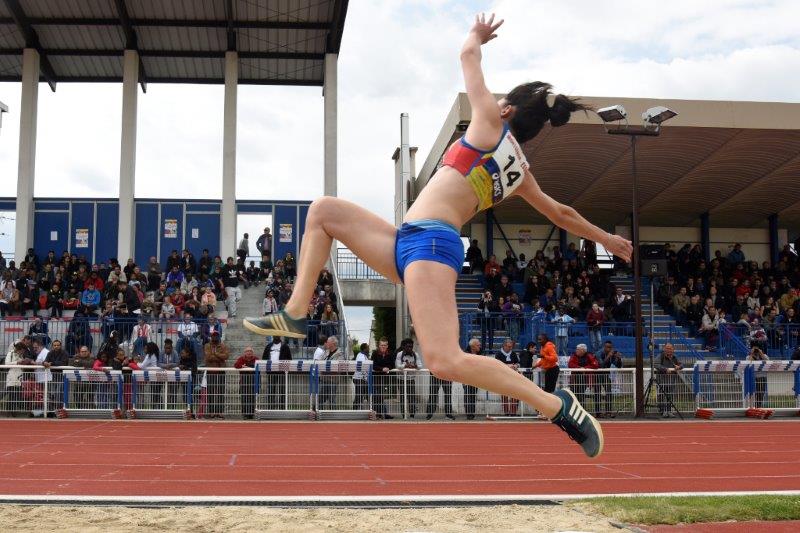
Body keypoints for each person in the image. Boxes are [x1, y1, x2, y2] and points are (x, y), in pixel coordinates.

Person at [243, 13, 633, 458]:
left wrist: (477, 35)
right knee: (324, 211)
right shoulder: (519, 170)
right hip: (409, 241)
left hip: (430, 244)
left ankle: (557, 407)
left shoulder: (489, 122)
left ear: (507, 109)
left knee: (445, 360)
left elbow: (468, 55)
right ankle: (295, 311)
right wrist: (608, 238)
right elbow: (560, 213)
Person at [567, 344, 600, 415]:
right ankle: (573, 411)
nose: (576, 351)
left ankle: (581, 411)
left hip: (584, 378)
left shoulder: (589, 355)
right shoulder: (574, 355)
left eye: (578, 349)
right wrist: (579, 368)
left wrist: (585, 368)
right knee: (573, 395)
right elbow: (570, 364)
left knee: (581, 394)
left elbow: (595, 365)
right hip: (575, 378)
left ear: (583, 350)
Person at [395, 338, 421, 419]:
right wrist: (405, 366)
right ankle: (404, 415)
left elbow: (420, 365)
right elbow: (397, 365)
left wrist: (415, 366)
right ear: (404, 347)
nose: (410, 348)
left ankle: (412, 414)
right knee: (402, 397)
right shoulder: (399, 354)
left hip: (411, 379)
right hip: (401, 379)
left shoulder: (415, 355)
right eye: (408, 346)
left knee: (411, 397)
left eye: (411, 346)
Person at [370, 337, 394, 419]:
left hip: (385, 377)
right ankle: (378, 413)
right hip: (376, 377)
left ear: (387, 346)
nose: (383, 347)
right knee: (377, 395)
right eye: (381, 345)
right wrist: (382, 369)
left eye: (384, 345)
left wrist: (388, 368)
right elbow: (373, 365)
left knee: (381, 395)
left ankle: (381, 413)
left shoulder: (390, 353)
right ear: (379, 346)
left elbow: (392, 364)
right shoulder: (375, 353)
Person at [494, 338, 520, 416]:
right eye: (509, 346)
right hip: (503, 377)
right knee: (504, 394)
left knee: (514, 394)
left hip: (513, 376)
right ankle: (506, 412)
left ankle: (513, 412)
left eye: (511, 346)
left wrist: (516, 365)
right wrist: (507, 366)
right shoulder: (498, 354)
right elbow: (497, 364)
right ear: (504, 346)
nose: (510, 348)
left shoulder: (513, 354)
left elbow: (518, 363)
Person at [657, 343, 683, 418]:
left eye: (670, 348)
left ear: (673, 350)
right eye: (667, 348)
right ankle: (662, 410)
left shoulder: (675, 357)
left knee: (670, 395)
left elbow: (682, 364)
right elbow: (655, 364)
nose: (669, 350)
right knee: (661, 395)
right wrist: (665, 369)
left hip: (672, 380)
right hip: (661, 380)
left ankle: (669, 410)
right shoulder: (660, 356)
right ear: (664, 349)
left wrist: (679, 367)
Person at [234, 347, 258, 419]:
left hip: (253, 380)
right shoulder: (241, 358)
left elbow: (258, 366)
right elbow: (236, 365)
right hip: (244, 381)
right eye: (247, 351)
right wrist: (242, 366)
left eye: (250, 351)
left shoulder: (256, 358)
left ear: (252, 352)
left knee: (252, 397)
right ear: (245, 352)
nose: (249, 352)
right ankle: (245, 414)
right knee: (244, 397)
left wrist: (247, 367)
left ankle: (251, 413)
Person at [463, 338, 482, 420]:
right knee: (467, 395)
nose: (480, 346)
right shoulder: (465, 353)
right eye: (478, 345)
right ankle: (468, 413)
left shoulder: (480, 353)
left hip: (476, 377)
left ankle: (472, 413)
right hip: (466, 377)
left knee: (473, 395)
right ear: (473, 346)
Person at [352, 343, 370, 411]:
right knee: (359, 396)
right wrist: (366, 375)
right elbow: (363, 367)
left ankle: (371, 409)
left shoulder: (362, 355)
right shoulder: (361, 356)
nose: (368, 349)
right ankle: (355, 410)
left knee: (362, 395)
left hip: (361, 378)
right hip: (359, 378)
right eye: (367, 347)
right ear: (365, 349)